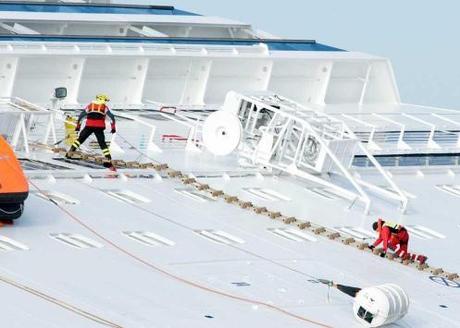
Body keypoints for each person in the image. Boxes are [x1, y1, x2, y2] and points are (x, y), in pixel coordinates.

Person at [66, 94, 116, 170]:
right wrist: (113, 128)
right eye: (105, 100)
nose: (106, 102)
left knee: (80, 139)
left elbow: (81, 116)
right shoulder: (104, 107)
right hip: (99, 127)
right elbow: (112, 117)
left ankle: (70, 152)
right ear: (102, 100)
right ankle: (108, 158)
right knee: (102, 143)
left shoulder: (90, 106)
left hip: (89, 126)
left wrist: (78, 127)